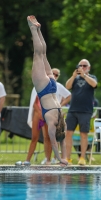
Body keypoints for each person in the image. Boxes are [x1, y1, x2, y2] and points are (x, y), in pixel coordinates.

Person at [26, 15, 68, 166]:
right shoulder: (52, 124)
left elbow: (62, 142)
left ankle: (39, 30)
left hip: (52, 85)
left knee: (43, 54)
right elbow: (55, 144)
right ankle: (33, 29)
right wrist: (60, 159)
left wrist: (64, 159)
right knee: (37, 54)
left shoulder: (63, 121)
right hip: (44, 88)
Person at [65, 59, 97, 165]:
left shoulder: (91, 77)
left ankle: (82, 158)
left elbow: (94, 84)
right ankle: (67, 158)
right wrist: (74, 76)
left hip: (85, 111)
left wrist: (84, 75)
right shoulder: (75, 78)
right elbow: (67, 86)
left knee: (84, 134)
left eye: (84, 65)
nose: (82, 67)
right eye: (80, 65)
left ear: (89, 67)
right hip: (73, 110)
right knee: (68, 134)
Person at [41, 68, 71, 165]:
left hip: (54, 107)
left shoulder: (61, 125)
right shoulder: (56, 125)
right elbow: (58, 143)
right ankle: (50, 158)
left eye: (56, 75)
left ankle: (50, 159)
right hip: (51, 107)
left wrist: (62, 159)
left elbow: (58, 143)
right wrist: (62, 159)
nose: (54, 75)